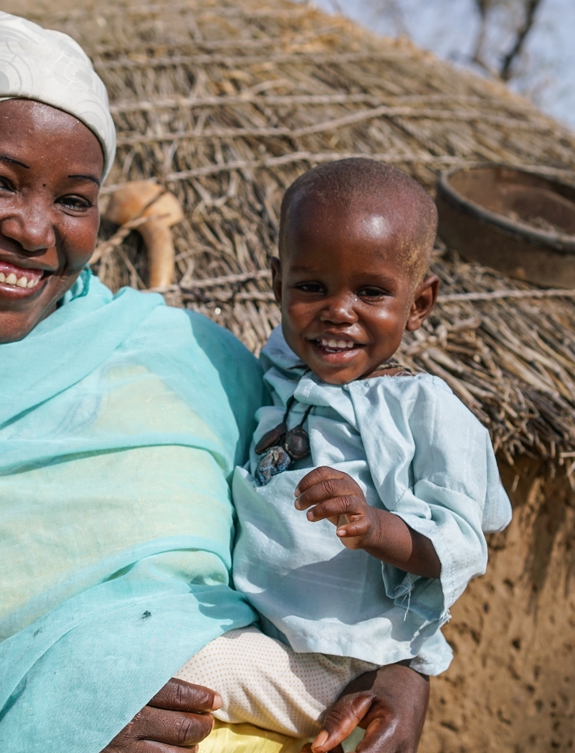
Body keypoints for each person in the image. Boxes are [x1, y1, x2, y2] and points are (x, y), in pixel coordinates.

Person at [0, 3, 430, 752]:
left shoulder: (194, 366)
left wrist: (407, 668)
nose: (34, 230)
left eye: (72, 200)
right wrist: (63, 722)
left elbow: (339, 537)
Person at [173, 159, 512, 751]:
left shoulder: (424, 410)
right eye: (311, 287)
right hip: (260, 625)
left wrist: (376, 525)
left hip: (336, 663)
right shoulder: (281, 371)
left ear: (419, 302)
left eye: (372, 292)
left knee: (181, 672)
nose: (338, 310)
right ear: (278, 282)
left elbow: (461, 544)